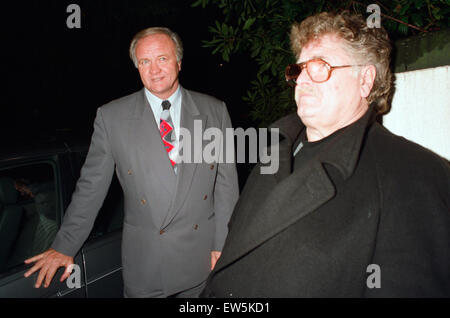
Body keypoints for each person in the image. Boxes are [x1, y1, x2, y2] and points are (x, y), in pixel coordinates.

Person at [201, 11, 450, 297]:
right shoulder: (274, 148)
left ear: (365, 80)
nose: (302, 81)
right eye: (299, 69)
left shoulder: (414, 176)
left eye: (319, 67)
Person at [24, 27, 239, 298]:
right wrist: (64, 245)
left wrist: (223, 244)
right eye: (144, 62)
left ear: (179, 62)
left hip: (201, 260)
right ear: (137, 67)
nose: (154, 69)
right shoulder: (112, 117)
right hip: (148, 266)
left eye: (162, 58)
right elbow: (91, 188)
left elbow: (226, 186)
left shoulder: (213, 111)